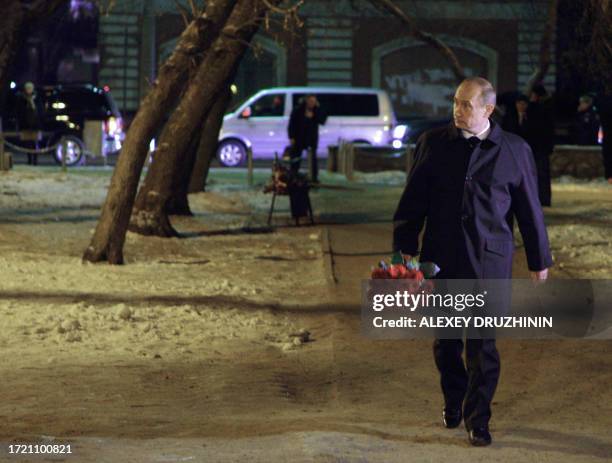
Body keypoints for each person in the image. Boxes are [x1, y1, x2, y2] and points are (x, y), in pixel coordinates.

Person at [393, 77, 552, 447]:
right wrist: (405, 246)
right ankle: (454, 399)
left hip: (489, 262)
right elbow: (413, 201)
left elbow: (530, 210)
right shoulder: (433, 144)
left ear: (488, 109)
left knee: (483, 345)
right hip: (441, 259)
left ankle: (478, 419)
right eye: (456, 102)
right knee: (446, 342)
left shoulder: (514, 150)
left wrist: (538, 258)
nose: (458, 110)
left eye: (467, 104)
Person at [524, 84, 555, 207]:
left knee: (536, 173)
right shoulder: (548, 107)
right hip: (542, 146)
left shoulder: (535, 108)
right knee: (542, 174)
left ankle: (539, 198)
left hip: (536, 146)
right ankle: (544, 199)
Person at [287, 94, 327, 183]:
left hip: (311, 138)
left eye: (314, 101)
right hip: (299, 137)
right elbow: (292, 124)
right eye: (310, 101)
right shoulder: (298, 110)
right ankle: (293, 176)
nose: (312, 103)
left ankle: (313, 177)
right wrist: (291, 137)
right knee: (295, 158)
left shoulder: (316, 110)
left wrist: (314, 115)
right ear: (306, 101)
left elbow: (323, 120)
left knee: (313, 159)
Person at [15, 81, 43, 165]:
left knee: (35, 143)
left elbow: (40, 110)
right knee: (27, 143)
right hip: (26, 124)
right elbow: (19, 111)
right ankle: (29, 160)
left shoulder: (37, 98)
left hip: (35, 124)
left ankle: (35, 160)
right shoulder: (21, 98)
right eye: (27, 88)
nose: (29, 90)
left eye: (30, 88)